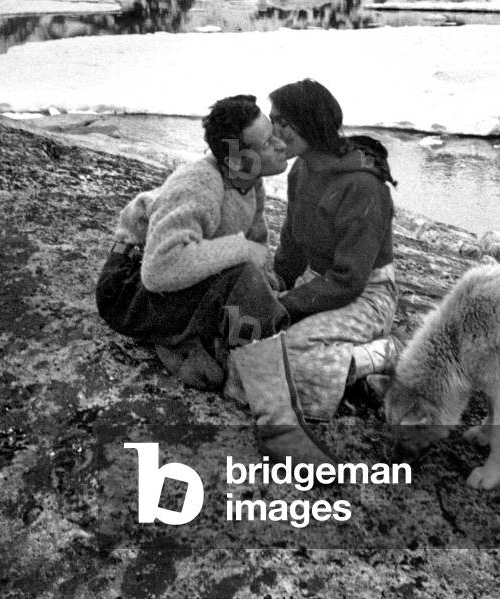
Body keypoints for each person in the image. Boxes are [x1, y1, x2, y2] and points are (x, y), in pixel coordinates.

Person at [227, 78, 399, 423]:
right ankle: (342, 364)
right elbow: (292, 240)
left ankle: (383, 354)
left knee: (284, 355)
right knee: (243, 338)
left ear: (311, 124)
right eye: (273, 119)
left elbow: (349, 279)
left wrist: (286, 306)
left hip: (366, 294)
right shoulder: (301, 169)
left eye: (283, 123)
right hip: (320, 285)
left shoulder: (364, 186)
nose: (273, 131)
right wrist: (277, 282)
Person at [95, 94, 290, 391]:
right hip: (128, 291)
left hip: (170, 286)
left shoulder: (248, 179)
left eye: (273, 134)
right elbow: (159, 270)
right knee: (242, 275)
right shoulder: (201, 183)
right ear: (237, 158)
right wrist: (241, 251)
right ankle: (176, 339)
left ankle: (186, 339)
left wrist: (265, 281)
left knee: (252, 282)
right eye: (266, 143)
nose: (280, 145)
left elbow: (255, 239)